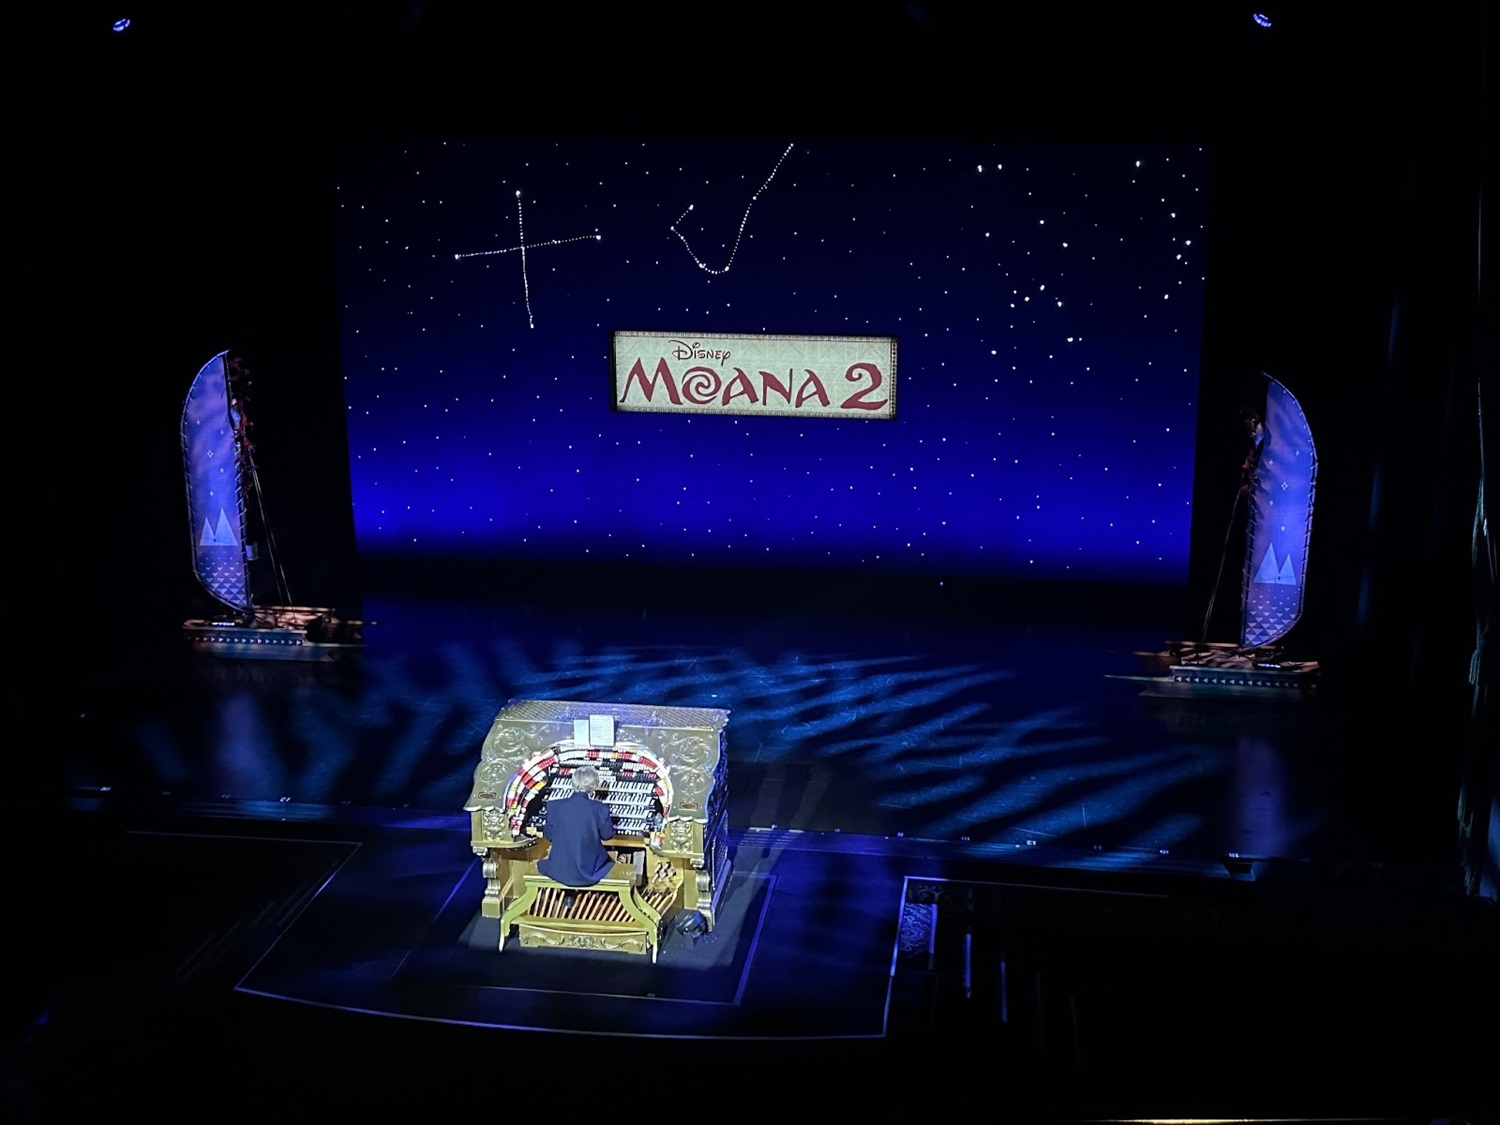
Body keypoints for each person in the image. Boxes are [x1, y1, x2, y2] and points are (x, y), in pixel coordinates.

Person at [536, 765, 618, 887]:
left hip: (559, 868)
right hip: (588, 871)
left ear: (573, 782)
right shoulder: (600, 809)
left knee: (543, 863)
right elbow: (607, 836)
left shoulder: (554, 806)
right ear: (594, 785)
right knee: (609, 862)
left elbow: (549, 836)